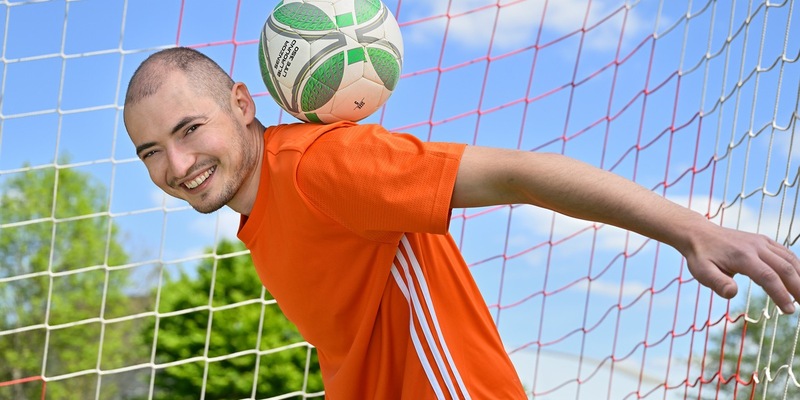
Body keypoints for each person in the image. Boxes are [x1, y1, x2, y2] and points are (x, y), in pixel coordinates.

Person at [123, 47, 800, 399]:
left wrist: (693, 230)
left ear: (241, 103)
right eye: (152, 151)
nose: (177, 164)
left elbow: (519, 173)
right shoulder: (260, 211)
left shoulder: (326, 166)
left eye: (190, 130)